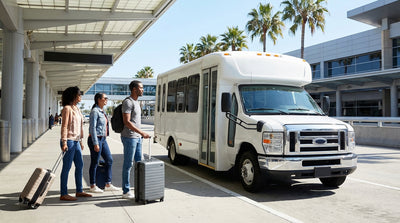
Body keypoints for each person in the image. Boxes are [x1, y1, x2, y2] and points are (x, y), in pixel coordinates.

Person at [60, 86, 92, 201]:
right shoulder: (67, 109)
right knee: (67, 167)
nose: (80, 97)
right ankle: (64, 193)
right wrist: (64, 142)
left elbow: (79, 127)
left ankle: (79, 191)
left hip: (77, 141)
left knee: (80, 166)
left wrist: (81, 141)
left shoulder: (77, 109)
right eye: (79, 94)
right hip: (68, 141)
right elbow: (64, 126)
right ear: (74, 96)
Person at [121, 80, 150, 199]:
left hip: (137, 138)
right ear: (134, 89)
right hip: (129, 137)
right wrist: (142, 132)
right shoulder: (128, 102)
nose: (143, 90)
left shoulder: (137, 102)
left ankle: (140, 189)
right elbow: (126, 122)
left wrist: (140, 134)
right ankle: (126, 191)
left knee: (140, 164)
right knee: (128, 164)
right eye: (141, 88)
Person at [88, 92, 119, 193]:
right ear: (99, 99)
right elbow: (92, 128)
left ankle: (108, 184)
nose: (106, 100)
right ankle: (92, 185)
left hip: (103, 139)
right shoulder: (95, 111)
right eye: (105, 98)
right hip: (96, 138)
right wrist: (95, 143)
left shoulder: (102, 111)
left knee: (109, 160)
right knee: (95, 162)